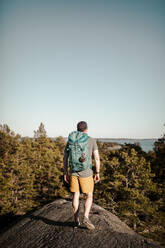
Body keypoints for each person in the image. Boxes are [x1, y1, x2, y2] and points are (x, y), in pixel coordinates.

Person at [63, 121, 100, 229]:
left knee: (76, 195)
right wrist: (97, 172)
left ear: (77, 129)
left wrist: (65, 172)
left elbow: (65, 158)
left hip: (73, 171)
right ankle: (86, 217)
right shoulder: (91, 140)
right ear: (86, 129)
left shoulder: (71, 140)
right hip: (86, 172)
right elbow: (96, 158)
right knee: (89, 195)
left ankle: (76, 220)